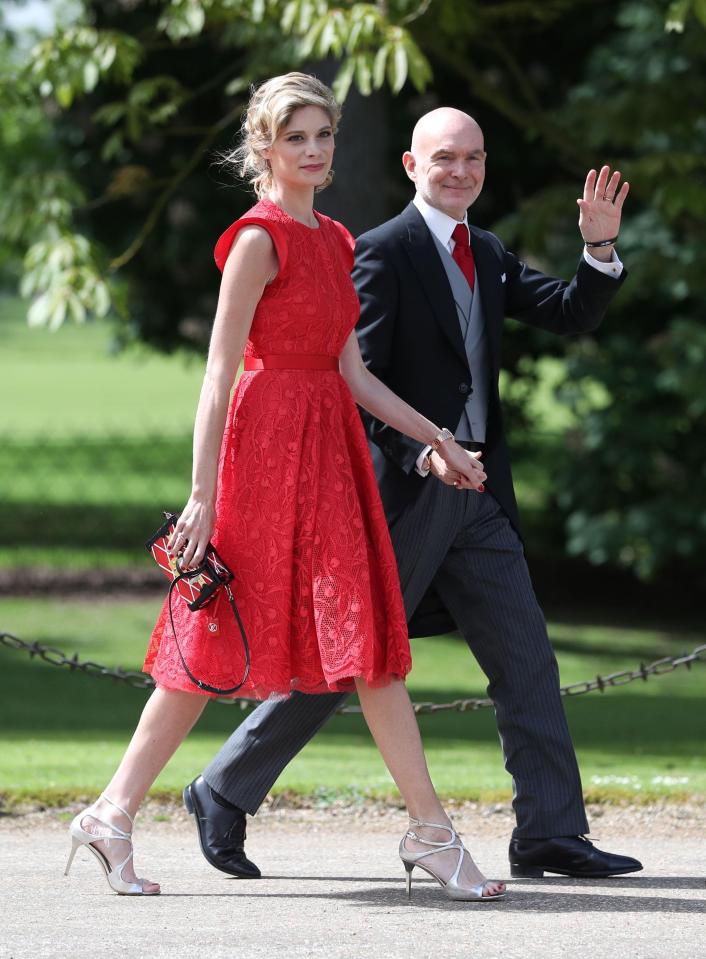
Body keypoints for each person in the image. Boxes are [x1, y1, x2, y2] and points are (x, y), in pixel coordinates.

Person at [63, 74, 506, 902]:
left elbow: (355, 374)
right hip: (263, 450)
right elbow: (218, 373)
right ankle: (114, 812)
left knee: (367, 637)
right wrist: (202, 494)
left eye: (325, 136)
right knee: (216, 636)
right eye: (296, 137)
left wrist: (438, 437)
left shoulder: (337, 240)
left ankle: (432, 833)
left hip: (330, 452)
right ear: (264, 146)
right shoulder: (258, 238)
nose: (314, 150)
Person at [184, 107, 643, 882]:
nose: (459, 170)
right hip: (405, 492)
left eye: (472, 158)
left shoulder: (487, 252)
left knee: (526, 653)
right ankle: (223, 789)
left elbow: (569, 314)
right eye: (443, 158)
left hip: (481, 495)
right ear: (410, 165)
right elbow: (356, 379)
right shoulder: (380, 252)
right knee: (353, 660)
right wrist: (422, 453)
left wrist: (598, 249)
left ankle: (549, 832)